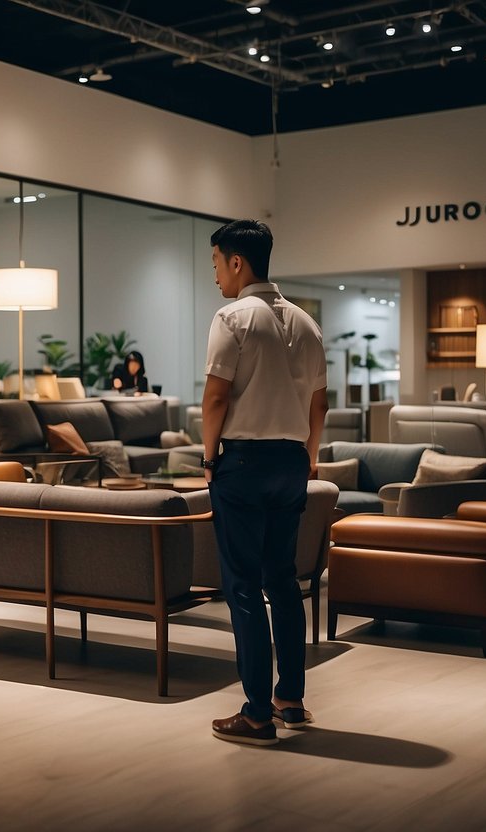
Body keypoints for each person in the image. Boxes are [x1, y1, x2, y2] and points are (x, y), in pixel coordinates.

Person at [200, 220, 327, 747]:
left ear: (236, 262)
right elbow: (320, 403)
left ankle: (256, 714)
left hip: (244, 464)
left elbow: (215, 398)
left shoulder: (232, 317)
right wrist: (310, 458)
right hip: (293, 462)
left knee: (244, 587)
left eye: (216, 265)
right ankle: (290, 700)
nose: (215, 278)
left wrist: (209, 459)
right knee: (283, 580)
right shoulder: (306, 322)